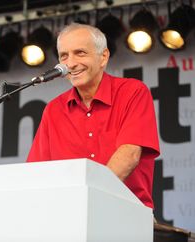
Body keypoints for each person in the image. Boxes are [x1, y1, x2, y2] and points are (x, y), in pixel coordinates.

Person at [27, 23, 160, 209]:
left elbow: (129, 155)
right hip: (68, 217)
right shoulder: (53, 109)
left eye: (80, 53)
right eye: (64, 56)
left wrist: (88, 202)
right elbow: (37, 173)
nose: (70, 63)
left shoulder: (132, 92)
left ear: (103, 57)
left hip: (126, 215)